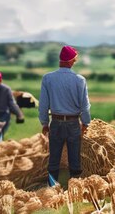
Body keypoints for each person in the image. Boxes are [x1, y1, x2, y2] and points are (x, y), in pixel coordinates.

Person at [39, 45, 91, 187]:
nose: (74, 62)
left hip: (55, 123)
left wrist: (44, 123)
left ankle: (51, 191)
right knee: (75, 162)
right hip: (74, 124)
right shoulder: (80, 80)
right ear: (69, 61)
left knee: (53, 162)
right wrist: (86, 123)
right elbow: (85, 107)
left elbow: (43, 104)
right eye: (74, 60)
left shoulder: (47, 79)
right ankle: (75, 192)